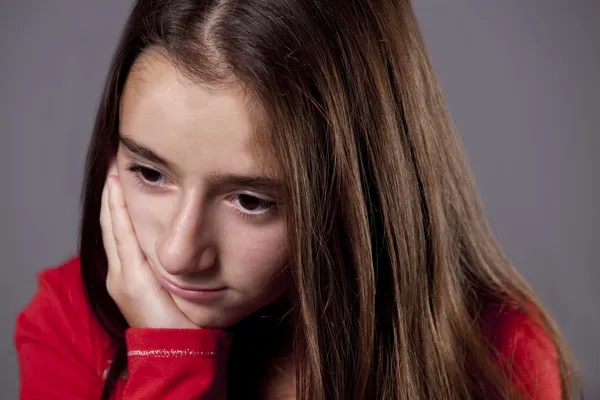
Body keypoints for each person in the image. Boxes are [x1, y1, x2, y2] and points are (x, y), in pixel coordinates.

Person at [14, 0, 579, 399]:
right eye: (149, 173)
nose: (180, 253)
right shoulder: (69, 324)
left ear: (357, 191)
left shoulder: (496, 354)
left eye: (253, 201)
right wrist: (170, 361)